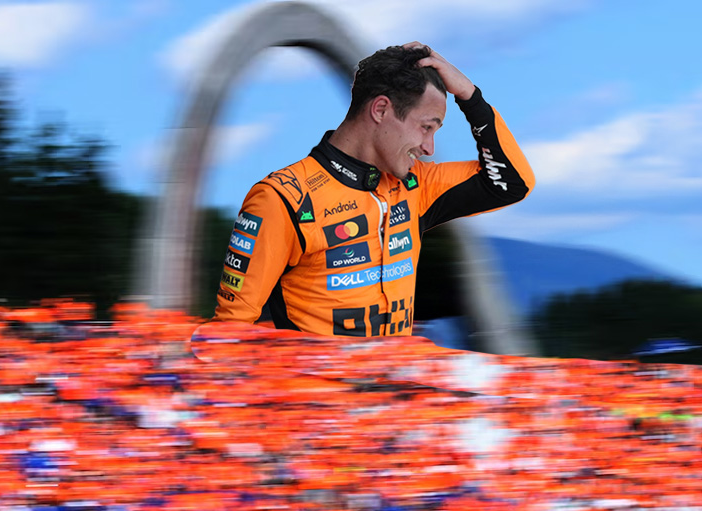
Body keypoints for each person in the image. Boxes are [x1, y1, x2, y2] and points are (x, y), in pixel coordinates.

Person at [210, 43, 535, 339]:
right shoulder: (280, 199)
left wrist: (470, 96)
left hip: (399, 383)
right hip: (318, 385)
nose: (429, 148)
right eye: (426, 127)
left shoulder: (417, 185)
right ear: (380, 110)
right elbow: (229, 334)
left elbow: (512, 182)